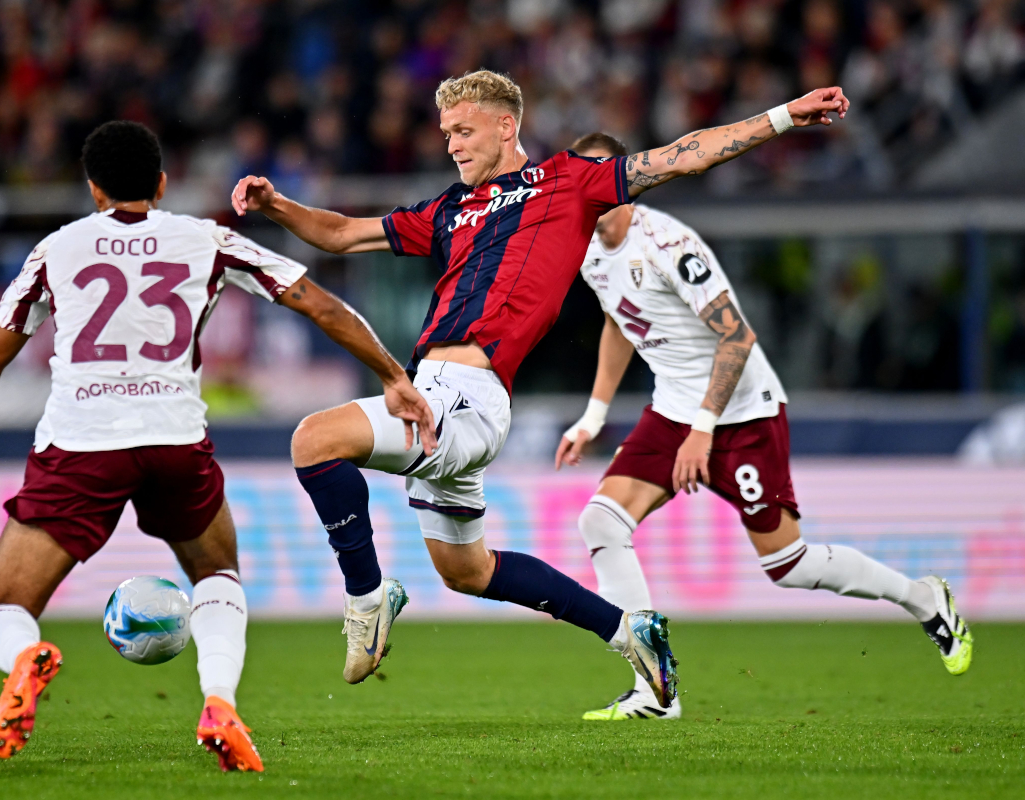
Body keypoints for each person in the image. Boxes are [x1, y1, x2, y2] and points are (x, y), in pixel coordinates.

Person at [230, 69, 853, 702]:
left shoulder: (567, 182)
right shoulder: (448, 208)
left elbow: (682, 157)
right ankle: (629, 633)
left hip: (465, 396)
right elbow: (340, 232)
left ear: (507, 127)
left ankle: (366, 601)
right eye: (446, 133)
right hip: (438, 393)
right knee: (466, 572)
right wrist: (277, 205)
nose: (452, 145)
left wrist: (781, 117)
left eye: (464, 131)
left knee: (314, 439)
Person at [0, 121, 435, 771]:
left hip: (80, 444)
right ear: (163, 183)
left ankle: (24, 656)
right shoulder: (207, 240)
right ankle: (219, 701)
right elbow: (319, 304)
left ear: (93, 189)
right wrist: (394, 376)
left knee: (2, 611)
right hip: (174, 441)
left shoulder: (56, 250)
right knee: (216, 575)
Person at [555, 132, 974, 721]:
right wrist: (594, 415)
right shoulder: (586, 250)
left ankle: (922, 597)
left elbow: (737, 335)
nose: (592, 195)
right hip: (674, 408)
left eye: (603, 181)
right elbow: (618, 321)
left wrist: (704, 429)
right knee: (600, 519)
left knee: (788, 564)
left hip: (743, 412)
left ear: (628, 182)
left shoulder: (669, 245)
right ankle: (656, 690)